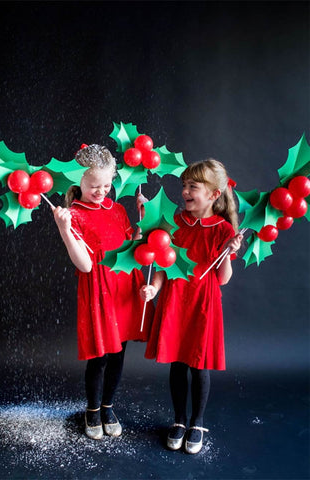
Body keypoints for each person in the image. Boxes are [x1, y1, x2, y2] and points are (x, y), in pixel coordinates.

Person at [140, 159, 243, 454]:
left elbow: (222, 279)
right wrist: (153, 288)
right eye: (184, 185)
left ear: (213, 195)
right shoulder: (176, 222)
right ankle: (179, 420)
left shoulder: (223, 230)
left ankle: (197, 422)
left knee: (198, 366)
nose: (184, 191)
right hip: (175, 300)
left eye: (192, 187)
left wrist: (227, 252)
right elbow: (162, 264)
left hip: (203, 304)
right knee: (177, 362)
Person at [53, 144, 153, 440]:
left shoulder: (118, 208)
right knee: (100, 356)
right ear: (78, 182)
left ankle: (109, 407)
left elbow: (131, 250)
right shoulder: (74, 214)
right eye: (94, 185)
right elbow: (84, 265)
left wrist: (142, 226)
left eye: (107, 185)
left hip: (124, 286)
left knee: (120, 353)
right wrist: (64, 231)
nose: (101, 191)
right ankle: (93, 410)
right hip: (98, 290)